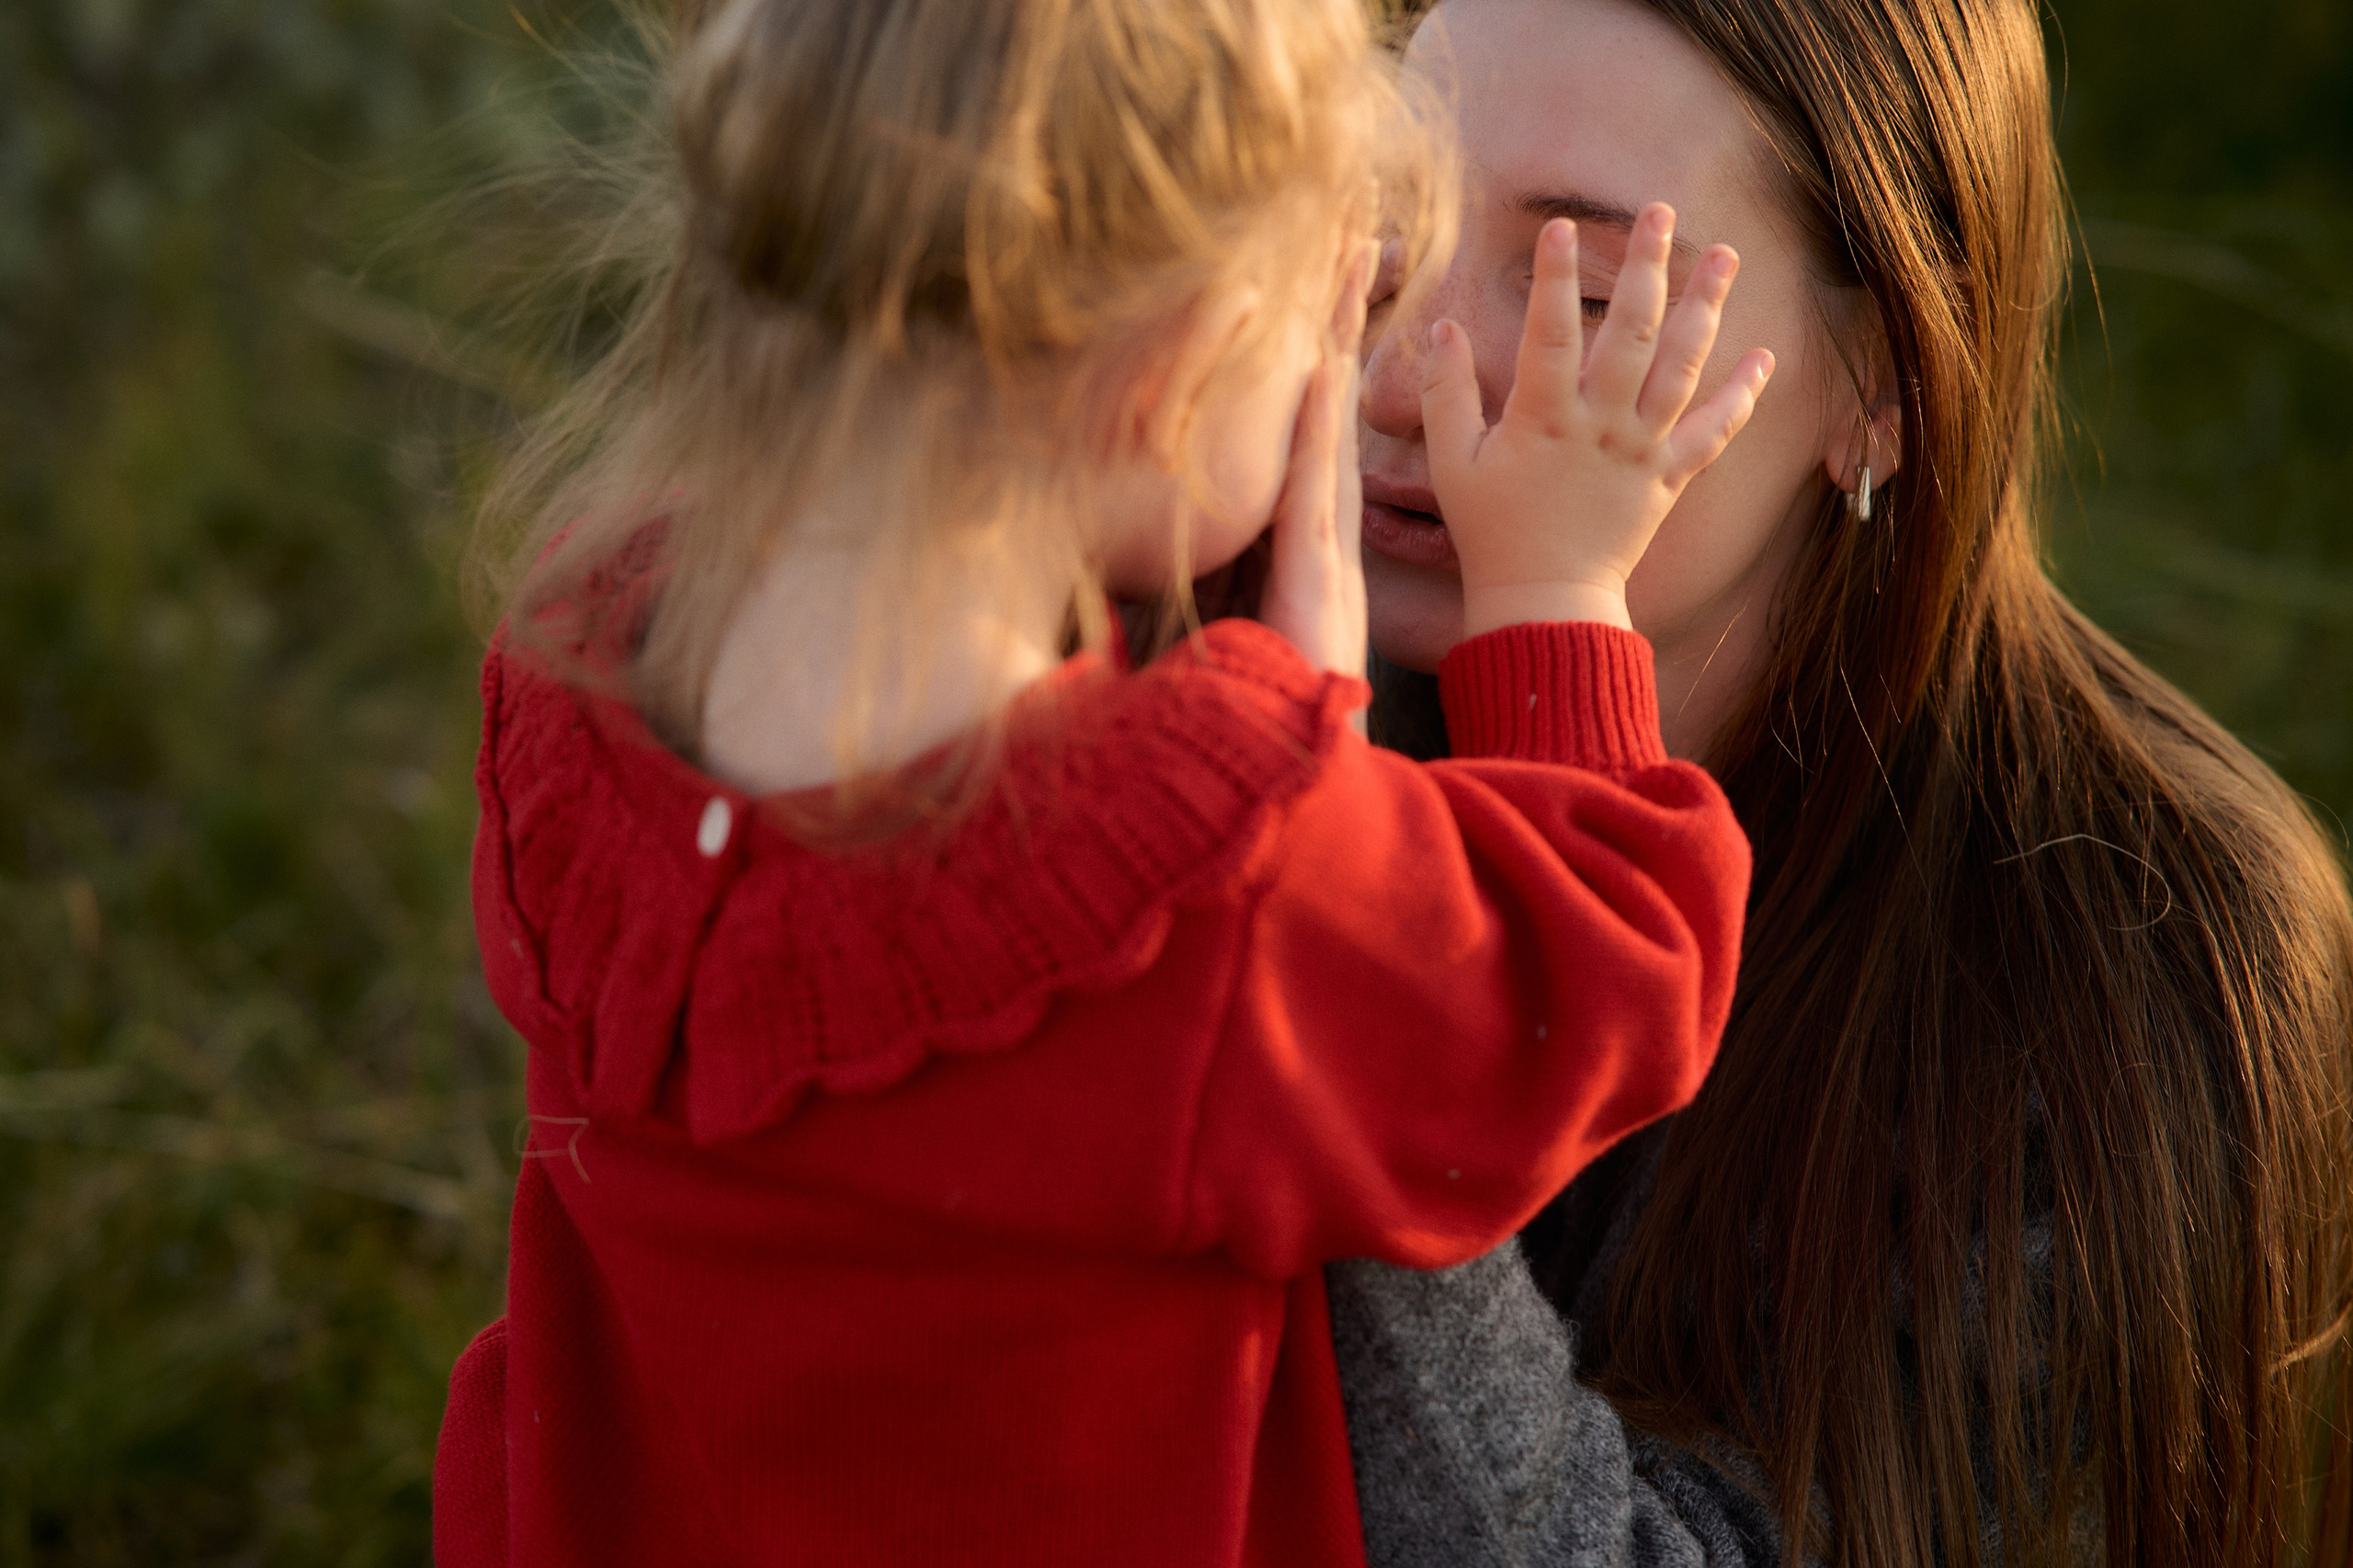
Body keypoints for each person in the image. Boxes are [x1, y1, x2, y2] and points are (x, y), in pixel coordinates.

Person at [430, 0, 1779, 1562]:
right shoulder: (1203, 893)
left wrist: (1268, 753)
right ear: (1177, 362)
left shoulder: (572, 687)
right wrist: (1551, 588)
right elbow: (1612, 967)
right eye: (1328, 312)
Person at [1330, 2, 2353, 1565]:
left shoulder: (2144, 965)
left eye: (1578, 293)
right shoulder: (1200, 675)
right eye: (1379, 230)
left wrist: (1324, 1000)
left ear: (1879, 377)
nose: (1401, 378)